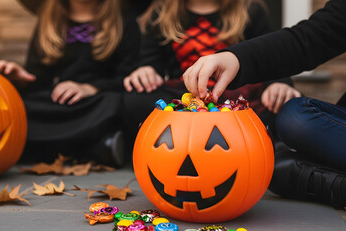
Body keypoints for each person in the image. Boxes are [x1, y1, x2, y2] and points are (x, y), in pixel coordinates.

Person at [183, 0, 346, 208]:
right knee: (291, 127)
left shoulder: (251, 11)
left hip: (253, 97)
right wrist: (236, 58)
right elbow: (312, 37)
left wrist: (279, 84)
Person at [122, 0, 300, 157]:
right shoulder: (161, 13)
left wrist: (279, 83)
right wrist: (146, 70)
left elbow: (268, 56)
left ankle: (266, 147)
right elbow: (152, 62)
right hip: (186, 100)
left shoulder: (250, 9)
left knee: (285, 104)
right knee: (132, 100)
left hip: (238, 99)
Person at [0, 0, 141, 167]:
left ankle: (39, 148)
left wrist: (91, 88)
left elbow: (128, 76)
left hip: (96, 101)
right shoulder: (49, 22)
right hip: (60, 101)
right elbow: (40, 82)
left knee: (116, 103)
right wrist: (19, 78)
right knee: (19, 108)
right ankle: (96, 148)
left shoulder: (124, 21)